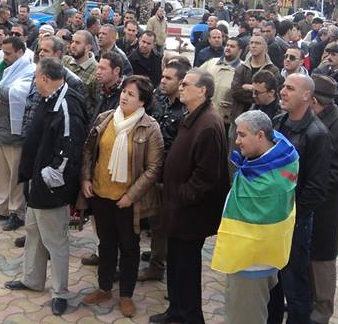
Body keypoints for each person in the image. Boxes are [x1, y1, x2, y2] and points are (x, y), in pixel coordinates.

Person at [4, 58, 87, 316]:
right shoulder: (48, 98)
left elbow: (70, 150)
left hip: (51, 188)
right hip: (36, 183)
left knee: (56, 241)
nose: (33, 81)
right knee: (33, 231)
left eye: (35, 76)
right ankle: (32, 279)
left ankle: (60, 292)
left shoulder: (67, 104)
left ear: (44, 78)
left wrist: (46, 178)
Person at [79, 75, 163, 318]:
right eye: (124, 91)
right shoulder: (106, 118)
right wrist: (86, 178)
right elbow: (88, 150)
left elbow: (153, 168)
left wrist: (131, 195)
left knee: (129, 248)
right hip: (100, 194)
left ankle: (126, 295)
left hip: (127, 200)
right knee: (105, 244)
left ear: (142, 102)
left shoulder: (150, 127)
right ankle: (104, 287)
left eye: (131, 94)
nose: (124, 97)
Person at [150, 69, 229, 324]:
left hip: (189, 212)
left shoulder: (208, 124)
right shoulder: (193, 116)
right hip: (177, 207)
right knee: (176, 264)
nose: (180, 87)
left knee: (186, 267)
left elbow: (206, 177)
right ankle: (176, 311)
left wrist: (180, 196)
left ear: (202, 91)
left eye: (186, 84)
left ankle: (190, 316)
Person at [211, 110, 299, 324]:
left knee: (244, 317)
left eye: (242, 135)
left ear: (260, 136)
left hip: (251, 262)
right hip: (260, 257)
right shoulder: (281, 155)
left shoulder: (269, 182)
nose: (237, 141)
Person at [268, 74, 333, 324]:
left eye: (290, 88)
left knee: (294, 285)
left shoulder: (317, 134)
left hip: (294, 221)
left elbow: (316, 188)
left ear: (307, 95)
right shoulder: (278, 122)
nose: (282, 91)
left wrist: (291, 217)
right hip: (272, 216)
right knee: (272, 282)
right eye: (283, 86)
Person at [139, 58, 190, 282]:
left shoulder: (185, 111)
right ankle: (158, 253)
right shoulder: (159, 100)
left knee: (162, 223)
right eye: (163, 76)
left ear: (181, 83)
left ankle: (158, 266)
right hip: (153, 169)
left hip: (169, 175)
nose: (162, 81)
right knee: (154, 221)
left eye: (168, 78)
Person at [309, 75, 338, 324]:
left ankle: (322, 311)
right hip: (311, 206)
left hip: (325, 208)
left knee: (322, 261)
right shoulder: (316, 121)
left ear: (314, 100)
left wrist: (312, 190)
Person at [0, 36, 33, 227]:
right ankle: (1, 207)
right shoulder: (2, 66)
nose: (5, 56)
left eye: (9, 53)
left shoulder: (28, 70)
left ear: (20, 52)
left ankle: (16, 212)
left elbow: (15, 95)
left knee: (15, 175)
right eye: (3, 52)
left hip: (13, 132)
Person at [230, 35, 279, 123]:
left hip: (261, 119)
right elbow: (235, 92)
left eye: (257, 43)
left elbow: (272, 96)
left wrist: (249, 87)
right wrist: (259, 93)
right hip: (238, 116)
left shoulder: (273, 70)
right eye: (251, 43)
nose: (253, 45)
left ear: (265, 47)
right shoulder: (241, 68)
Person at [200, 37, 242, 126]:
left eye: (232, 46)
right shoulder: (212, 63)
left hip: (226, 120)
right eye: (227, 45)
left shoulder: (243, 69)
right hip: (204, 115)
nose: (228, 48)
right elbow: (197, 78)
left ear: (240, 51)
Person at [63, 30, 99, 116]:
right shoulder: (64, 61)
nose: (73, 45)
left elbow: (96, 106)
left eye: (77, 43)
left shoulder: (97, 72)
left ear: (88, 47)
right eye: (72, 42)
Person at [93, 51, 126, 123]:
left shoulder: (125, 94)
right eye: (98, 68)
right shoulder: (101, 88)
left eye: (103, 69)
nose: (98, 72)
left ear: (116, 71)